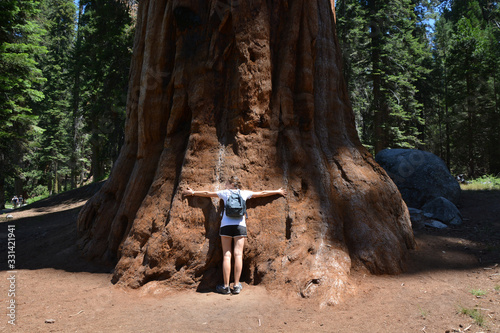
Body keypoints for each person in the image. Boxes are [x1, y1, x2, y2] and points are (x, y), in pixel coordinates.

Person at [183, 176, 286, 295]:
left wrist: (193, 192)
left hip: (226, 226)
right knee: (238, 255)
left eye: (227, 183)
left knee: (227, 255)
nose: (225, 185)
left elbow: (207, 193)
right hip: (240, 227)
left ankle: (226, 286)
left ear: (232, 184)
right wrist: (277, 191)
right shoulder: (244, 193)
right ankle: (236, 285)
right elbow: (262, 193)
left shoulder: (225, 193)